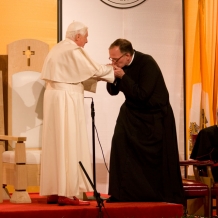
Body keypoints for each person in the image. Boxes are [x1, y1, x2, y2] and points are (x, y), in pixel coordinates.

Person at [40, 21, 114, 206]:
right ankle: (67, 192)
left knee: (56, 142)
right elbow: (93, 68)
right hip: (67, 98)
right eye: (86, 37)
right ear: (78, 36)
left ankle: (55, 190)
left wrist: (102, 72)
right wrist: (112, 71)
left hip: (55, 97)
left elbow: (78, 73)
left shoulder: (58, 48)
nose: (87, 41)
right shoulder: (73, 50)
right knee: (68, 141)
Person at [106, 38, 185, 205]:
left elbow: (142, 94)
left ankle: (154, 194)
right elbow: (113, 92)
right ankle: (121, 193)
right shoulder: (122, 66)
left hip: (154, 116)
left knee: (154, 162)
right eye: (111, 59)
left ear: (128, 56)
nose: (113, 62)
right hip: (132, 112)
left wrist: (123, 76)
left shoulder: (147, 63)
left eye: (116, 59)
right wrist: (110, 76)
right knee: (119, 142)